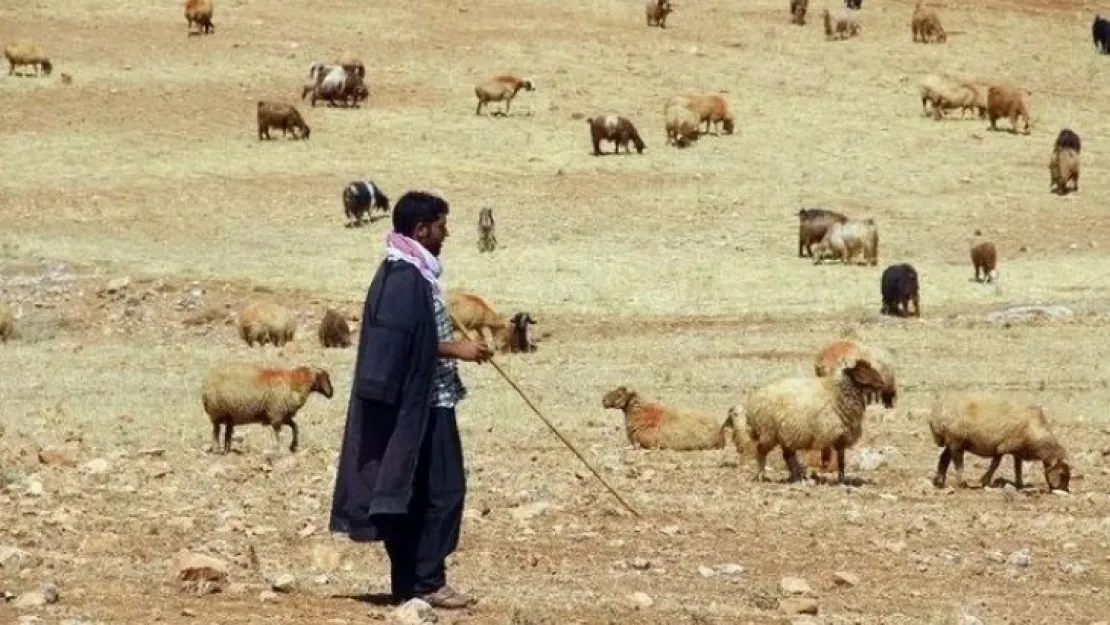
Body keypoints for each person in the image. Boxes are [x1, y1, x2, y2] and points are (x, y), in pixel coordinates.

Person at [329, 190, 493, 609]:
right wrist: (458, 350)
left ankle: (412, 583)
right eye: (441, 225)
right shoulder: (404, 280)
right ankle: (427, 581)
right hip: (423, 405)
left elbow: (415, 336)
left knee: (418, 492)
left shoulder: (411, 272)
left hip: (424, 400)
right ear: (421, 229)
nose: (447, 232)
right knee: (443, 490)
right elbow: (402, 345)